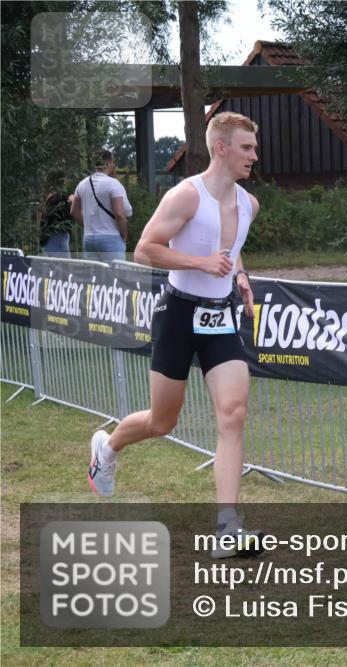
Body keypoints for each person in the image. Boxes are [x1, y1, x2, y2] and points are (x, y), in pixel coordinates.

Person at [86, 112, 262, 557]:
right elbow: (146, 248)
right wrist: (201, 264)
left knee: (233, 412)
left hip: (221, 317)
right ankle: (107, 447)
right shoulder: (187, 195)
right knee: (163, 422)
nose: (253, 156)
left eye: (254, 148)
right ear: (220, 148)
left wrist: (239, 275)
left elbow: (230, 251)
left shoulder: (249, 204)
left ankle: (227, 527)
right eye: (246, 147)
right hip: (178, 314)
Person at [71, 148, 133, 262]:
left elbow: (74, 212)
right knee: (115, 278)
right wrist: (124, 235)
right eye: (113, 162)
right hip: (111, 238)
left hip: (89, 239)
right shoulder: (113, 184)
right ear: (108, 163)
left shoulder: (82, 184)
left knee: (95, 278)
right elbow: (121, 213)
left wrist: (89, 226)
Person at [37, 169, 74, 256]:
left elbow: (39, 219)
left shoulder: (45, 197)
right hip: (58, 238)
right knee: (63, 268)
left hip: (46, 239)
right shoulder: (60, 198)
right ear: (62, 180)